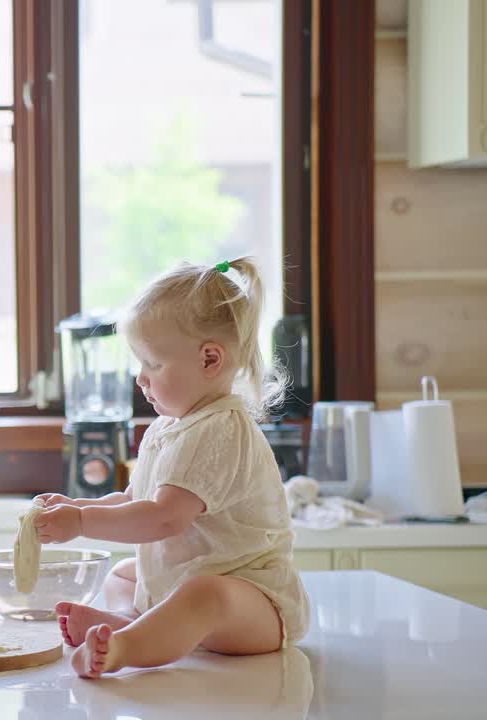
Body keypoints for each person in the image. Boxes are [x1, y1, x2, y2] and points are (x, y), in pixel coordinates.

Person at [33, 257, 310, 679]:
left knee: (205, 593)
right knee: (126, 575)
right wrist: (76, 506)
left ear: (209, 360)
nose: (141, 380)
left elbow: (164, 518)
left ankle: (126, 646)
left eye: (153, 364)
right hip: (195, 586)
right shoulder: (170, 427)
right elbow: (135, 500)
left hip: (257, 606)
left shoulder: (219, 429)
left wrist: (82, 522)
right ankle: (135, 621)